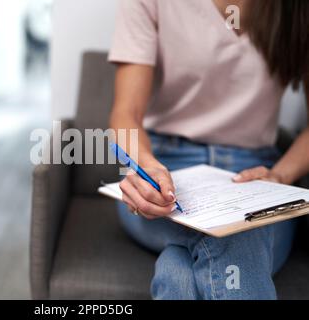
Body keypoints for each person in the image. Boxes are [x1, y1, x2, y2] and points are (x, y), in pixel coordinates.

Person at [109, 0, 309, 300]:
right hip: (166, 169)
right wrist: (145, 166)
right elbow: (126, 114)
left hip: (255, 175)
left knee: (178, 274)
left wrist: (279, 176)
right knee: (239, 232)